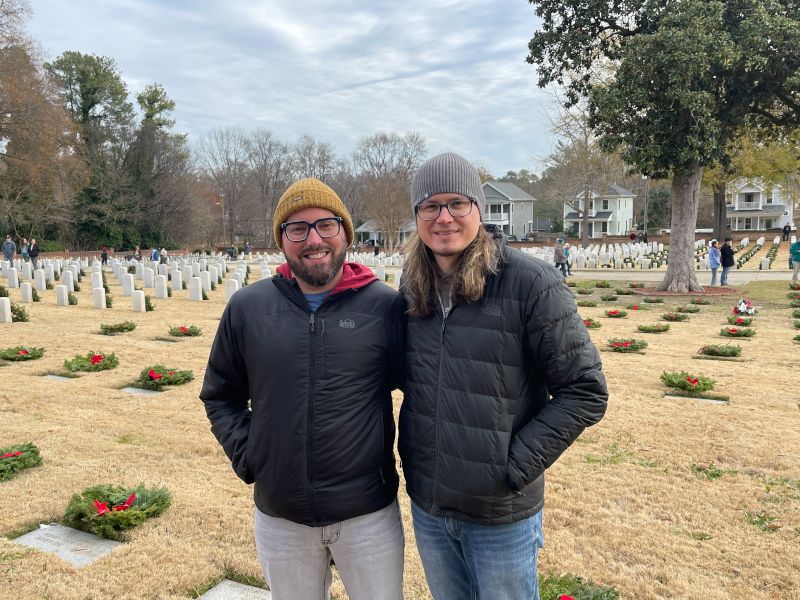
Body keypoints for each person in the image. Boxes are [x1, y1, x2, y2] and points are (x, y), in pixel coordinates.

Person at [400, 153, 608, 600]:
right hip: (431, 506)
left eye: (457, 203)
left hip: (501, 513)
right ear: (416, 215)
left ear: (478, 208)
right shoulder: (411, 287)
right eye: (429, 206)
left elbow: (585, 390)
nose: (444, 217)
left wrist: (511, 467)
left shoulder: (530, 283)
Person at [200, 177, 405, 600]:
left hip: (367, 514)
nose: (313, 239)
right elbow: (221, 395)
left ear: (344, 232)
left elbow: (424, 392)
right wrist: (250, 454)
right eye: (297, 228)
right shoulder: (249, 308)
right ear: (282, 240)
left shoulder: (384, 306)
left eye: (326, 225)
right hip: (281, 517)